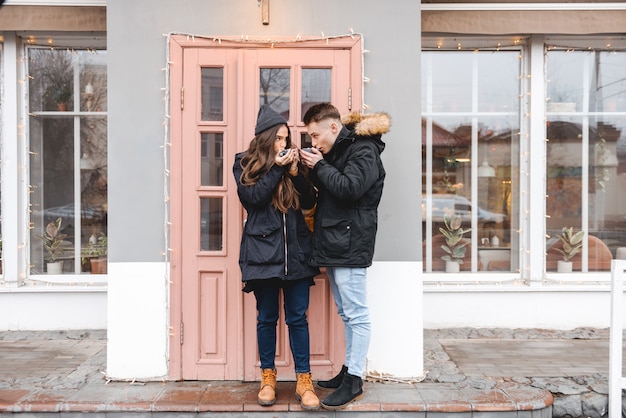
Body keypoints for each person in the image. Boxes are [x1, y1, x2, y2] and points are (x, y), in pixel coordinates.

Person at [299, 103, 389, 410]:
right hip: (337, 242)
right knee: (346, 313)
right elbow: (331, 191)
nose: (313, 142)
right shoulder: (339, 151)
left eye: (315, 135)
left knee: (356, 314)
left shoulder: (363, 150)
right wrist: (315, 168)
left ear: (333, 127)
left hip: (350, 242)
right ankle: (348, 372)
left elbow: (350, 189)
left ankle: (355, 380)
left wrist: (319, 166)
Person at [233, 104, 321, 411]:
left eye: (287, 138)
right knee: (266, 318)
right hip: (262, 255)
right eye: (279, 138)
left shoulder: (291, 165)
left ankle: (304, 380)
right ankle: (268, 378)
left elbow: (309, 200)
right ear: (266, 138)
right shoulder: (243, 164)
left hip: (296, 253)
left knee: (298, 319)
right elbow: (252, 199)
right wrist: (277, 168)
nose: (284, 144)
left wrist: (295, 172)